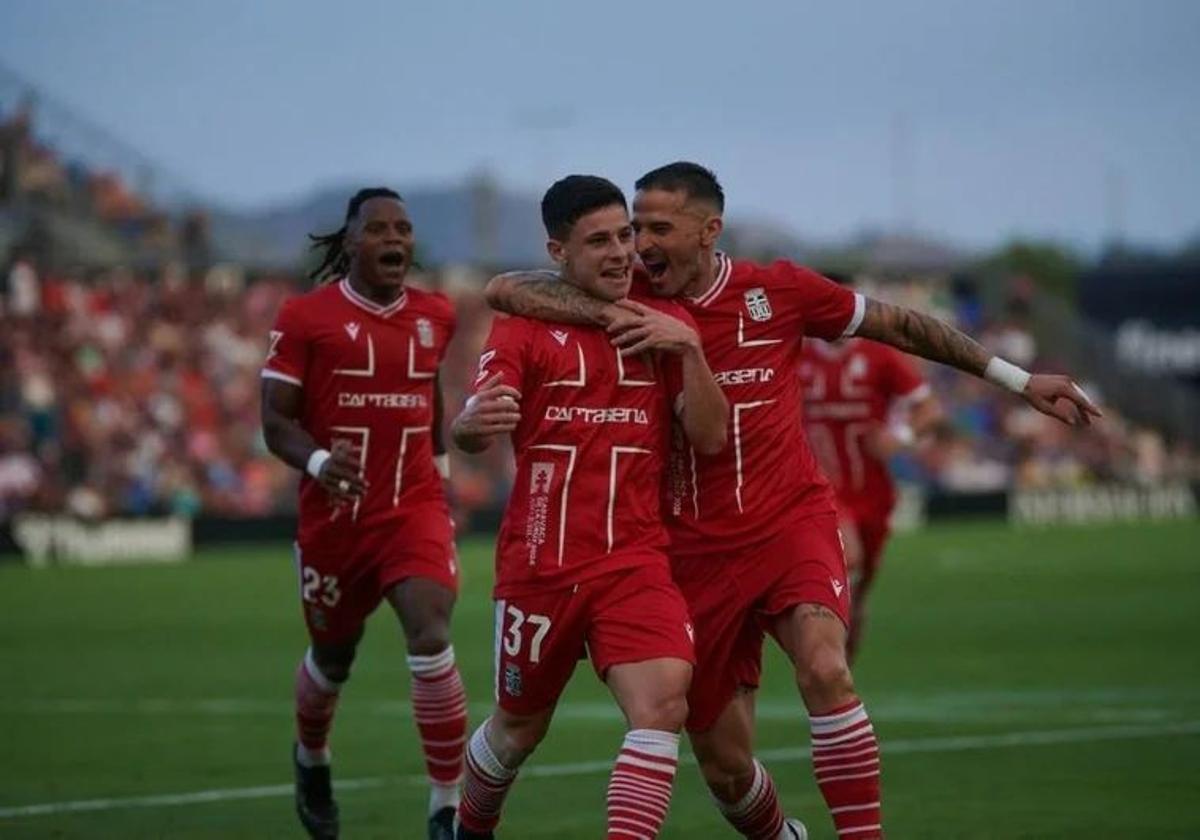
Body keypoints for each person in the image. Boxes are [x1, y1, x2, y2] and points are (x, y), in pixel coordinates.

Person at [484, 162, 1100, 840]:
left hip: (789, 520)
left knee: (826, 667)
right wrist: (618, 310)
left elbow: (898, 324)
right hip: (687, 553)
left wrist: (1015, 379)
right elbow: (507, 289)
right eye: (634, 229)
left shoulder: (775, 291)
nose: (640, 245)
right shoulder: (633, 297)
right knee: (725, 767)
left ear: (709, 230)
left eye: (656, 228)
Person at [450, 174, 728, 839]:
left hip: (635, 562)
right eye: (598, 240)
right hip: (540, 566)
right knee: (517, 730)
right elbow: (470, 426)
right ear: (557, 252)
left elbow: (711, 437)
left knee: (662, 705)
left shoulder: (664, 326)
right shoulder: (523, 329)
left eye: (625, 235)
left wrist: (689, 348)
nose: (619, 253)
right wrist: (470, 420)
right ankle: (467, 828)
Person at [261, 188, 467, 840]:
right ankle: (311, 755)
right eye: (377, 228)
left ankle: (446, 805)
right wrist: (321, 463)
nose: (393, 238)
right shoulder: (305, 318)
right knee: (333, 656)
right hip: (334, 517)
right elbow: (274, 420)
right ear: (351, 242)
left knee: (430, 631)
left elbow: (427, 387)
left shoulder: (436, 313)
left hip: (412, 508)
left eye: (403, 228)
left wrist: (439, 469)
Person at [798, 299, 943, 661]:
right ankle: (821, 658)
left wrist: (901, 438)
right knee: (848, 559)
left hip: (873, 489)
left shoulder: (880, 356)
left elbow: (930, 408)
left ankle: (839, 675)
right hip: (821, 485)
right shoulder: (794, 354)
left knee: (857, 598)